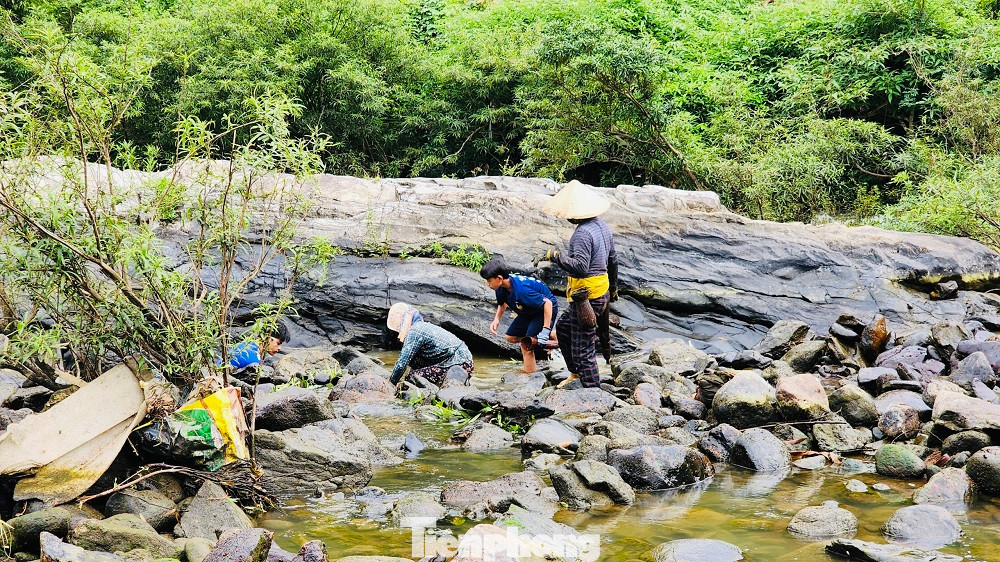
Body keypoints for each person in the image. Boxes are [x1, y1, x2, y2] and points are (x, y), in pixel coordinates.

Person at [536, 180, 618, 388]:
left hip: (587, 297)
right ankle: (575, 373)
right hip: (601, 291)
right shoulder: (602, 226)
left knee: (584, 346)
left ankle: (592, 390)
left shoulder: (583, 233)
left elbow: (581, 267)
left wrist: (554, 256)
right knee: (563, 328)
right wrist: (614, 288)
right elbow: (613, 260)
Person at [480, 258, 559, 373]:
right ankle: (550, 335)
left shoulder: (522, 291)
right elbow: (502, 303)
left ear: (499, 278)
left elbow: (548, 303)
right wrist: (496, 319)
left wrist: (546, 329)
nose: (487, 284)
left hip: (544, 310)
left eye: (488, 280)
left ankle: (529, 378)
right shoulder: (501, 287)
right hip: (528, 309)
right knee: (511, 337)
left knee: (526, 345)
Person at [387, 302, 474, 387]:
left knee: (412, 377)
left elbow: (401, 364)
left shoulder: (415, 331)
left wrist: (390, 384)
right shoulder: (421, 326)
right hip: (465, 361)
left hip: (459, 364)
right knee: (413, 361)